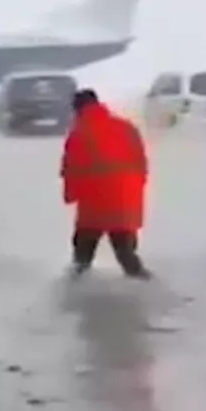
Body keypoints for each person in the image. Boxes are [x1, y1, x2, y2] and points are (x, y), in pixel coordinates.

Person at [60, 89, 153, 279]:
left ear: (77, 110)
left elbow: (72, 170)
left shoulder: (79, 133)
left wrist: (70, 196)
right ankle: (152, 288)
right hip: (126, 201)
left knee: (82, 255)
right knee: (126, 254)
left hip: (94, 205)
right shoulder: (126, 127)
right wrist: (134, 191)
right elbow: (141, 164)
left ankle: (73, 289)